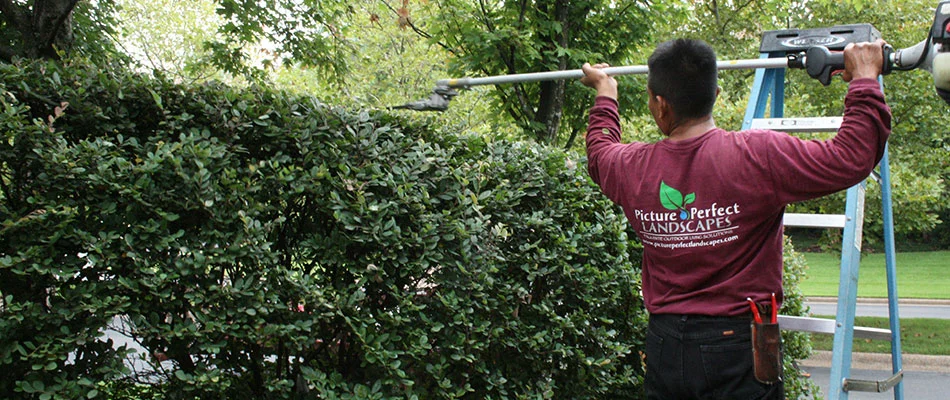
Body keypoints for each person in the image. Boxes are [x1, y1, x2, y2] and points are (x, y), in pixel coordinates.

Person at [580, 38, 891, 400]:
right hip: (738, 347)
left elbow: (599, 150)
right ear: (716, 92)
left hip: (665, 345)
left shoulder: (630, 167)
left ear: (659, 105)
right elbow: (850, 157)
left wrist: (606, 93)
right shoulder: (759, 155)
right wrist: (865, 78)